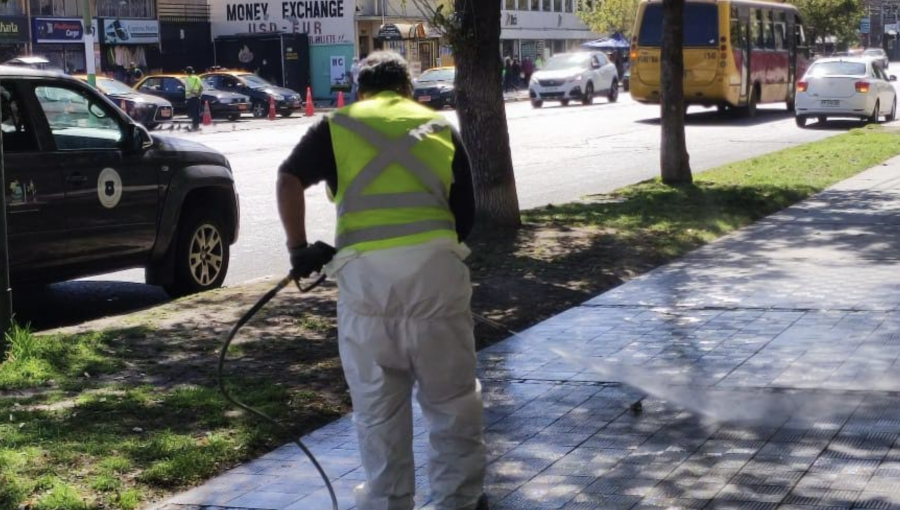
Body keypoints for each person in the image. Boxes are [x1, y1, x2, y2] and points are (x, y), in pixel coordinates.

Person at [276, 51, 487, 510]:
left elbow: (289, 179)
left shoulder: (338, 126)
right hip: (436, 284)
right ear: (408, 90)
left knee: (377, 411)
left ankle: (388, 501)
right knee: (453, 404)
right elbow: (465, 217)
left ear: (361, 91)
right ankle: (460, 501)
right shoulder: (439, 127)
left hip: (367, 291)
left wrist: (299, 250)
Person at [184, 66, 203, 131]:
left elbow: (189, 89)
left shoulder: (187, 79)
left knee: (192, 113)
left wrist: (194, 94)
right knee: (197, 112)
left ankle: (194, 126)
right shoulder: (197, 78)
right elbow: (201, 87)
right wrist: (199, 94)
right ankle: (196, 126)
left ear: (186, 72)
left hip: (190, 98)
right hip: (197, 98)